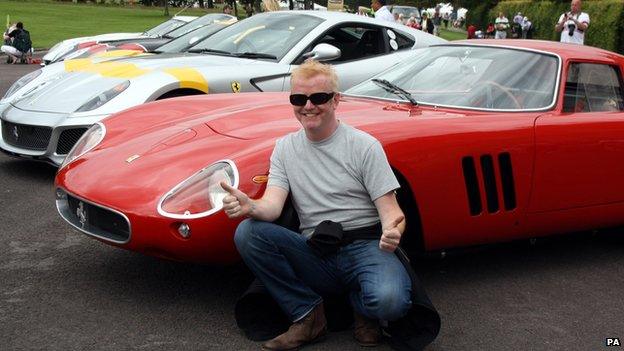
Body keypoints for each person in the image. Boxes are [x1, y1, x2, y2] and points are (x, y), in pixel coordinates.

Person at [222, 59, 413, 350]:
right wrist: (251, 206)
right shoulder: (285, 147)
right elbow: (272, 207)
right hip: (315, 250)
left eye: (318, 97)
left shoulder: (364, 146)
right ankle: (308, 315)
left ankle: (361, 305)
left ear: (336, 100)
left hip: (364, 247)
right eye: (299, 98)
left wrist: (392, 229)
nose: (308, 106)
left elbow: (392, 212)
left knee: (390, 303)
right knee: (249, 232)